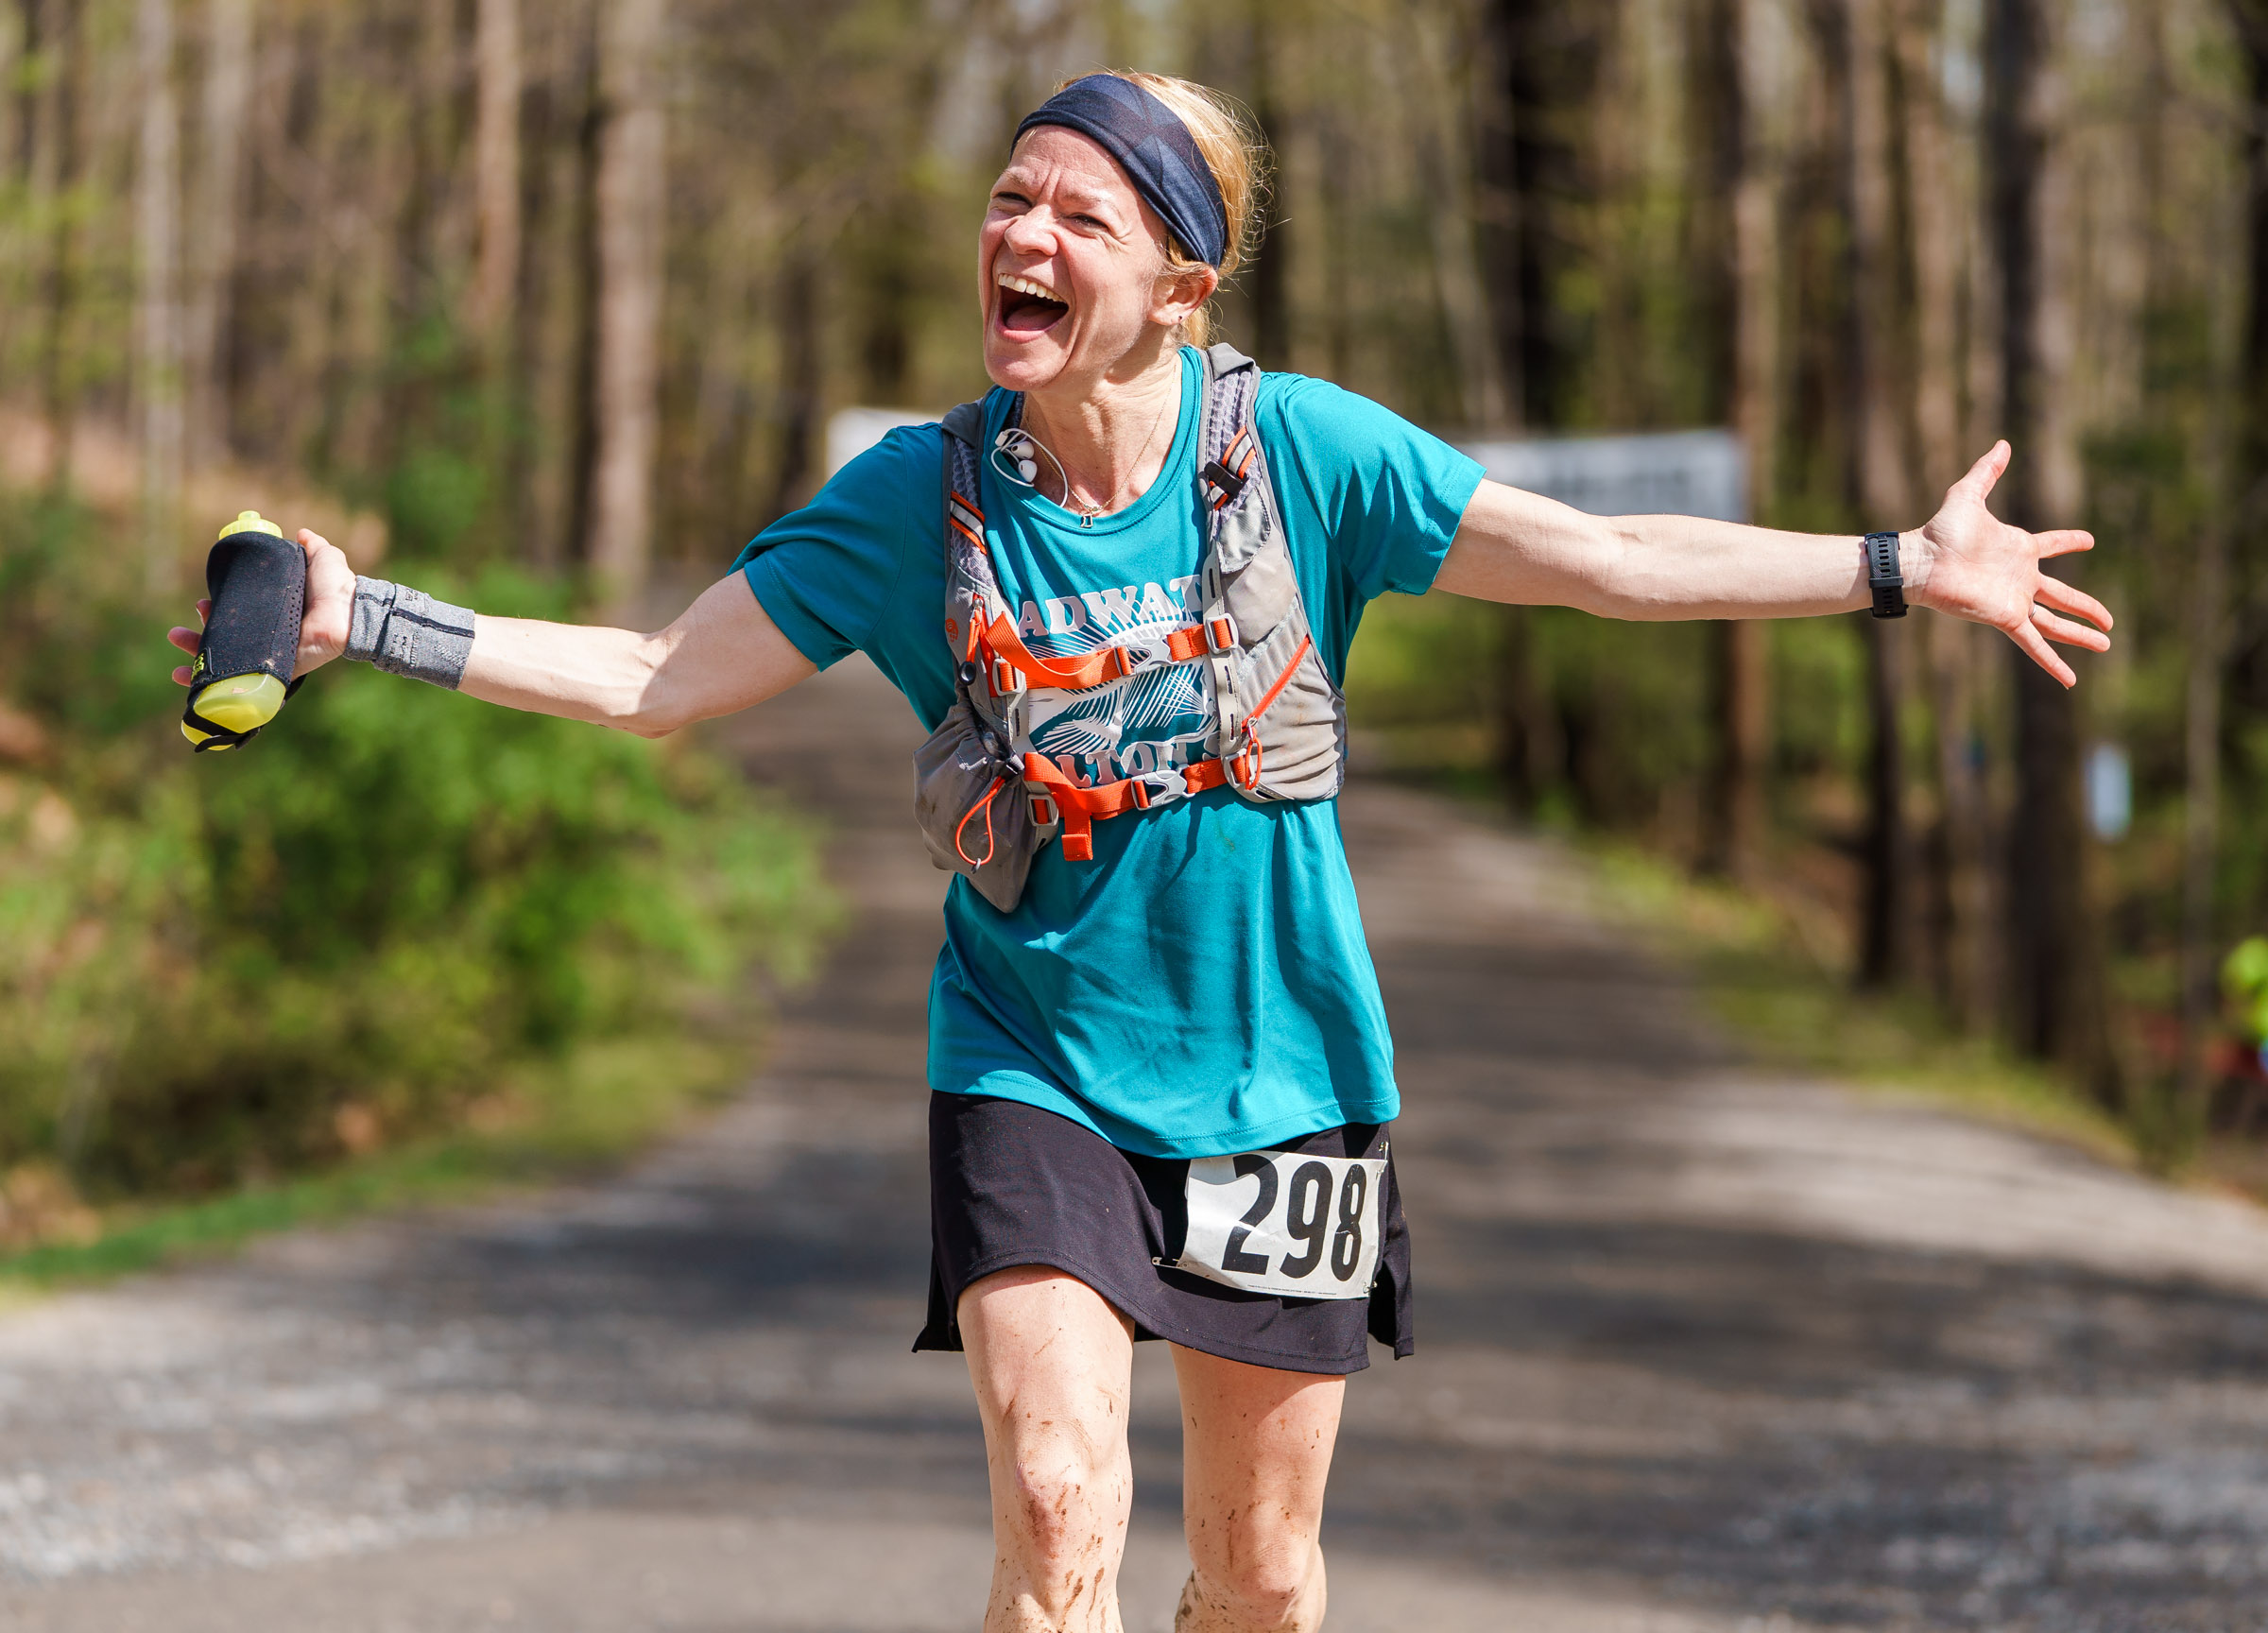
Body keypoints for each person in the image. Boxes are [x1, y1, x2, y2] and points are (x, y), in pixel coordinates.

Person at [168, 70, 2110, 1633]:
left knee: (1258, 1583)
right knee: (1061, 1501)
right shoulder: (916, 496)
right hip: (1031, 1059)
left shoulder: (1310, 457)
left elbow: (1606, 563)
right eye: (1009, 198)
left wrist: (1896, 568)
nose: (1020, 233)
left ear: (1180, 284)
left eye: (1078, 213)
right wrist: (371, 621)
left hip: (1288, 1079)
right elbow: (660, 676)